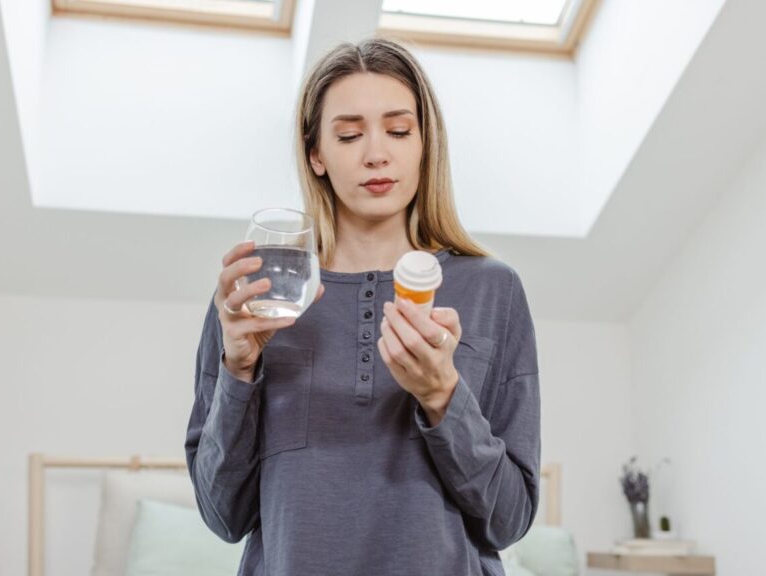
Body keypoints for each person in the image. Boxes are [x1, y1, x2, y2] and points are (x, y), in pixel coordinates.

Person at [185, 38, 540, 576]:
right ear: (316, 154)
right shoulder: (258, 296)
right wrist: (238, 370)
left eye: (399, 131)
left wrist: (443, 396)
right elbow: (222, 515)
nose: (377, 153)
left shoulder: (493, 290)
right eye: (349, 135)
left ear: (425, 145)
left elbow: (509, 520)